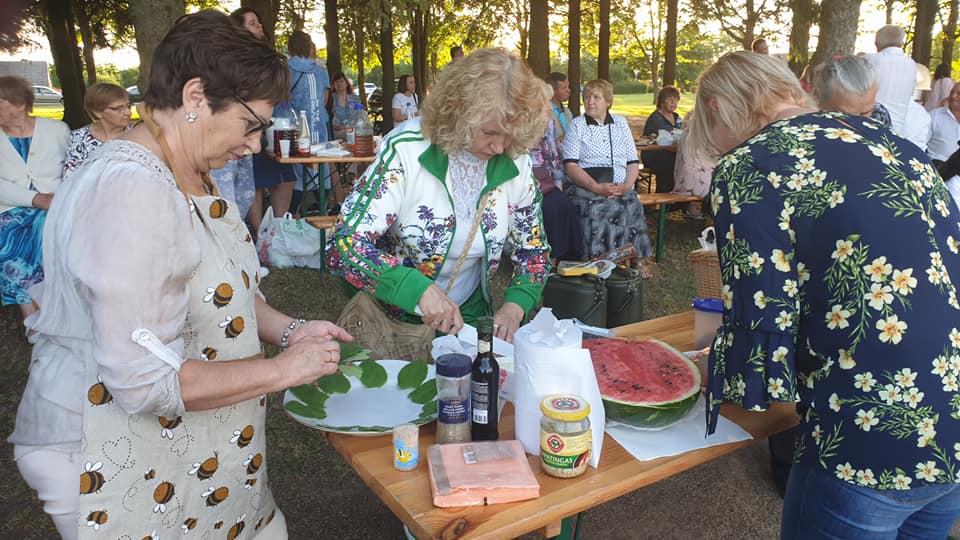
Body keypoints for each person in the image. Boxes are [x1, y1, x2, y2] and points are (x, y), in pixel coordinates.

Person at [9, 12, 350, 538]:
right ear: (195, 97)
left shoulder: (187, 167)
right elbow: (143, 383)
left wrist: (289, 331)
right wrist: (285, 370)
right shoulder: (132, 191)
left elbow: (222, 291)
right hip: (106, 451)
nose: (255, 145)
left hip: (193, 445)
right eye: (252, 124)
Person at [687, 50, 960, 539]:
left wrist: (715, 366)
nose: (713, 150)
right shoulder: (898, 146)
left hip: (865, 440)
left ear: (714, 108)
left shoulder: (751, 164)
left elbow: (761, 322)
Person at [327, 48, 550, 344]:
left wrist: (514, 306)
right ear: (458, 113)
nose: (499, 147)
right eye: (489, 132)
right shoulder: (405, 149)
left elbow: (533, 253)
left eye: (510, 136)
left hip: (467, 315)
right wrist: (417, 290)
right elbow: (345, 243)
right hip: (391, 318)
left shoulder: (516, 160)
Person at [562, 79, 652, 272]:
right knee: (601, 206)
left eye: (596, 97)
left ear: (608, 102)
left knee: (631, 203)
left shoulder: (620, 123)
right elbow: (570, 165)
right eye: (586, 97)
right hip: (585, 185)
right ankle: (599, 260)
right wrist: (596, 187)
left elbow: (632, 161)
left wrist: (628, 185)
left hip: (619, 184)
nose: (590, 101)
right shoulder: (578, 125)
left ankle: (634, 258)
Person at [0, 75, 69, 326]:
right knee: (8, 242)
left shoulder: (57, 131)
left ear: (19, 104)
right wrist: (36, 198)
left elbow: (72, 170)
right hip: (9, 208)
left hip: (58, 203)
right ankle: (31, 317)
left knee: (49, 232)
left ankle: (55, 308)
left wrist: (58, 198)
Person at [229, 6, 294, 238]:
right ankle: (258, 234)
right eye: (253, 23)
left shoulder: (266, 54)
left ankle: (278, 231)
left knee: (285, 176)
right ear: (239, 29)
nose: (260, 27)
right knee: (252, 180)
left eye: (258, 22)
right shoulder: (234, 58)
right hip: (245, 125)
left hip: (274, 121)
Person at [531, 81, 581, 262]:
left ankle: (566, 257)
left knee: (565, 205)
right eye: (544, 101)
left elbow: (554, 157)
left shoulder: (548, 123)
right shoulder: (516, 125)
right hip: (525, 183)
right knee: (549, 208)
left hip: (546, 181)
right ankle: (549, 258)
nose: (548, 106)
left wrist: (558, 184)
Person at [287, 30, 331, 214]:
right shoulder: (320, 71)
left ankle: (291, 215)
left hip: (295, 130)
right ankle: (323, 212)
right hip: (319, 129)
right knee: (323, 170)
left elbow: (282, 99)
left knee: (297, 175)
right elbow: (325, 101)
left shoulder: (286, 69)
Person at [62, 83, 131, 177]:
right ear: (98, 112)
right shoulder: (79, 138)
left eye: (128, 106)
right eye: (118, 108)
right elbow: (70, 177)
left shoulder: (138, 136)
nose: (128, 112)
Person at [865, 24, 917, 135]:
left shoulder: (871, 59)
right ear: (901, 43)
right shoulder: (911, 64)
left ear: (877, 43)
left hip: (871, 122)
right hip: (899, 128)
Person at [642, 85, 682, 193]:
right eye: (670, 99)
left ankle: (682, 201)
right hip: (655, 154)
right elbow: (664, 141)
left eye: (675, 99)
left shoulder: (677, 117)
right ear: (662, 101)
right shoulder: (656, 118)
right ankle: (664, 201)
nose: (673, 102)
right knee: (671, 163)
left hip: (673, 152)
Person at [927, 82, 960, 167]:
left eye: (958, 94)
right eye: (952, 92)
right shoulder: (934, 116)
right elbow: (920, 143)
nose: (953, 96)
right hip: (936, 169)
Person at [330, 72, 358, 140]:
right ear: (333, 85)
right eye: (336, 82)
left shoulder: (355, 98)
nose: (339, 84)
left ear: (346, 83)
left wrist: (347, 127)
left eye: (341, 81)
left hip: (353, 131)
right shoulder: (330, 99)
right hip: (337, 133)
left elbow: (359, 117)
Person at [546, 72, 573, 143]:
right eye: (564, 88)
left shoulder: (567, 111)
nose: (568, 90)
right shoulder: (545, 112)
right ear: (552, 90)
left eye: (568, 87)